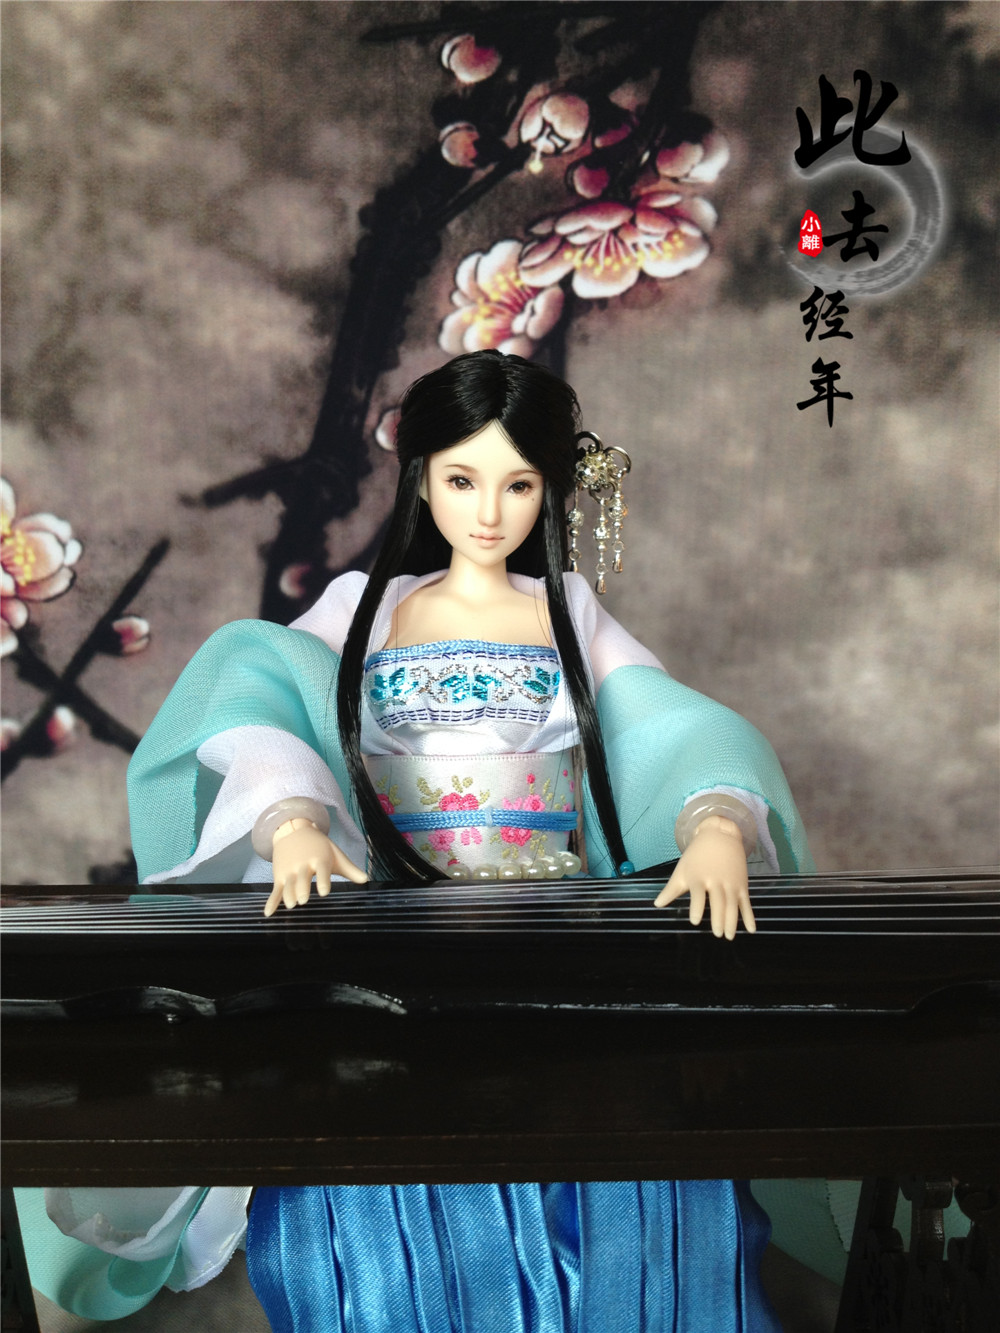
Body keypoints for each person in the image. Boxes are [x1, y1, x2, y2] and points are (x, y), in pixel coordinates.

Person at [26, 351, 814, 1329]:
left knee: (628, 1173)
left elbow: (670, 723)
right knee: (375, 1184)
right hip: (392, 950)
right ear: (422, 478)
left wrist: (714, 820)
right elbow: (255, 692)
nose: (488, 511)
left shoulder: (565, 611)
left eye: (518, 485)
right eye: (462, 479)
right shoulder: (362, 610)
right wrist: (291, 813)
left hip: (552, 945)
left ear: (551, 489)